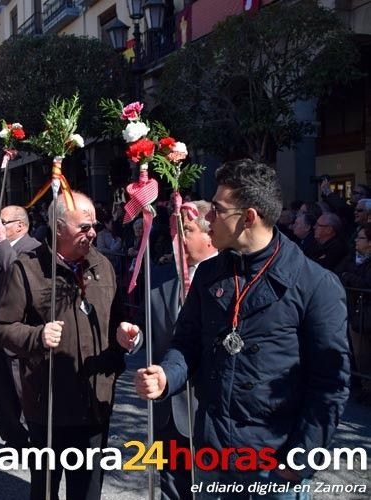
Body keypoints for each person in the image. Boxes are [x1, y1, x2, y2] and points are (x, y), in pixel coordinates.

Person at [134, 159, 350, 497]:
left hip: (275, 464)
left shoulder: (316, 284)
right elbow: (186, 343)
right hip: (212, 453)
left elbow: (330, 385)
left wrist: (301, 458)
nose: (208, 219)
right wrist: (166, 375)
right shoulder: (209, 274)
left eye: (217, 210)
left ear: (248, 217)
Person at [0, 192, 127, 500]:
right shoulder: (28, 268)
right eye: (84, 227)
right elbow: (2, 326)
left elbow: (119, 318)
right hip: (48, 404)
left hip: (95, 401)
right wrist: (36, 336)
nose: (93, 232)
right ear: (59, 227)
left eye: (94, 225)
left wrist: (127, 334)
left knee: (88, 490)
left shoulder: (103, 266)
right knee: (46, 490)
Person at [118, 200, 217, 500]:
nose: (178, 239)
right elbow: (153, 334)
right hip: (168, 410)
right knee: (172, 487)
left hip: (209, 412)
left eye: (186, 230)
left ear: (210, 235)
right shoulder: (161, 282)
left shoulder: (229, 283)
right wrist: (135, 338)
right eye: (175, 231)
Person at [0, 205, 41, 452]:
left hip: (20, 334)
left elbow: (20, 277)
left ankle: (33, 441)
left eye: (3, 221)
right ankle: (13, 440)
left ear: (20, 226)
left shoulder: (33, 249)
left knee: (21, 391)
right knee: (2, 394)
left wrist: (2, 244)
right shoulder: (0, 249)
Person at [336, 222, 371, 403]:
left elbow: (366, 283)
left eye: (361, 237)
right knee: (358, 352)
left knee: (365, 353)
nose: (356, 240)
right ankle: (364, 387)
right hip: (355, 312)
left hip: (366, 311)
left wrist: (348, 277)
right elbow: (338, 272)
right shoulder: (352, 257)